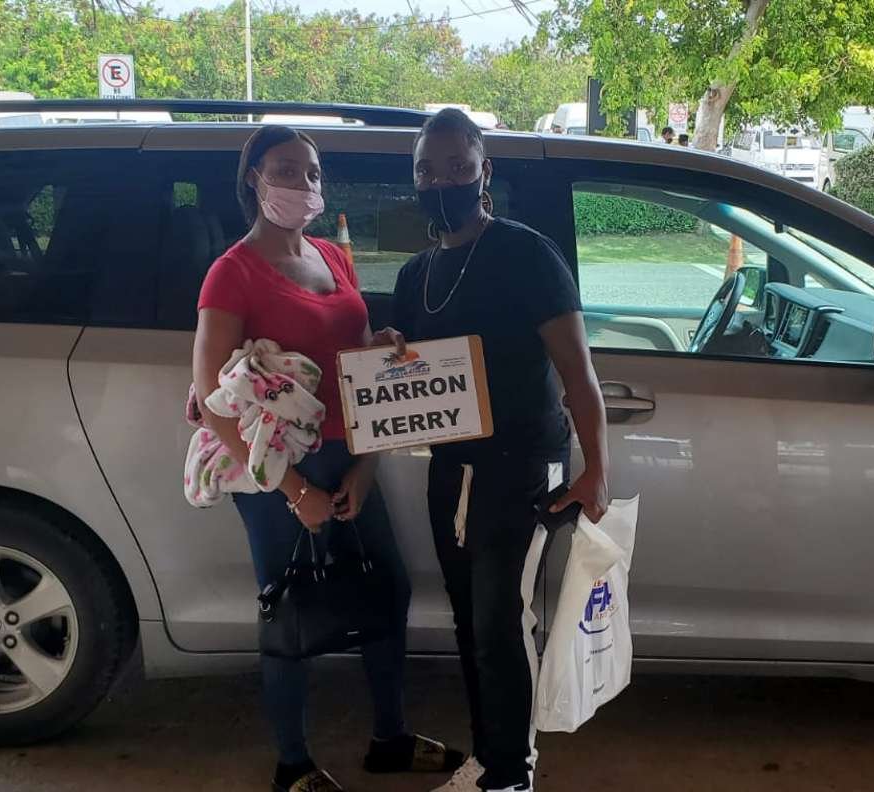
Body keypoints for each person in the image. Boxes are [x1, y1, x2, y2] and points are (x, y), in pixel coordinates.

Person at [191, 125, 463, 792]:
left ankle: (389, 739)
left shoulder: (332, 257)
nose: (304, 184)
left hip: (350, 454)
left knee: (387, 590)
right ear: (254, 178)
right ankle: (292, 765)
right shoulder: (232, 271)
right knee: (290, 610)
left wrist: (381, 352)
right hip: (279, 466)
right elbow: (212, 400)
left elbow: (354, 358)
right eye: (286, 170)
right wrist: (294, 491)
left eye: (312, 173)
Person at [377, 108, 610, 792]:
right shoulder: (416, 273)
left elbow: (578, 374)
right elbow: (410, 371)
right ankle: (488, 757)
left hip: (522, 469)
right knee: (468, 621)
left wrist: (596, 469)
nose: (439, 182)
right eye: (425, 170)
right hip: (451, 469)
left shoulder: (525, 254)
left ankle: (511, 772)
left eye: (456, 166)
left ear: (484, 172)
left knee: (499, 624)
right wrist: (385, 357)